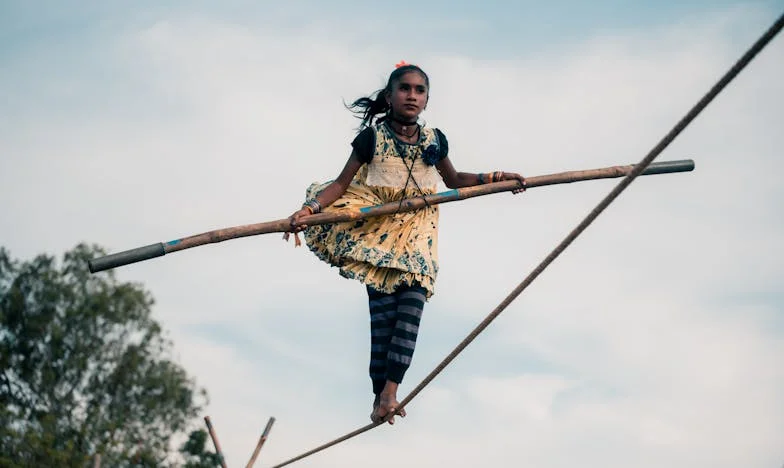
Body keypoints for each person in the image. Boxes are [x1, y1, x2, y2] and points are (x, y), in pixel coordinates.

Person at [286, 61, 525, 424]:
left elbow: (455, 178)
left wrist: (496, 177)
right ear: (390, 96)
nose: (412, 95)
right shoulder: (372, 138)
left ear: (426, 100)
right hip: (377, 235)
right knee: (383, 323)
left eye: (419, 90)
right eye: (405, 89)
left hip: (417, 234)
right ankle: (378, 397)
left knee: (410, 312)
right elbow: (339, 185)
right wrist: (308, 209)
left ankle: (391, 393)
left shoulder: (434, 139)